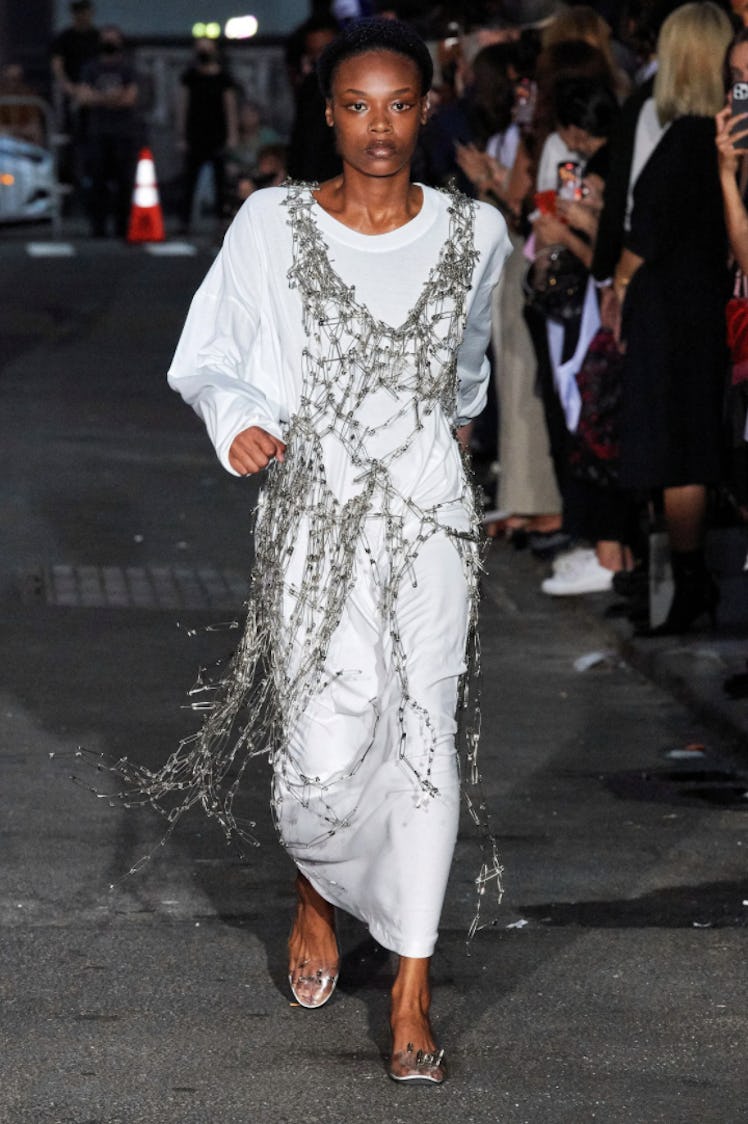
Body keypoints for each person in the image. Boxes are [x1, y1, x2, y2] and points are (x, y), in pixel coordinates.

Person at [133, 18, 510, 1085]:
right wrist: (240, 416)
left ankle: (410, 986)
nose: (378, 128)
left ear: (425, 110)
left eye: (399, 105)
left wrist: (443, 433)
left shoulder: (475, 233)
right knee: (320, 747)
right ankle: (317, 883)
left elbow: (469, 374)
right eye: (357, 106)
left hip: (430, 515)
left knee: (423, 731)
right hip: (312, 511)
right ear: (328, 111)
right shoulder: (271, 222)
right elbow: (207, 354)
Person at [612, 1, 733, 634]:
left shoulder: (688, 134)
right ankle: (688, 584)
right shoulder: (718, 133)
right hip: (701, 299)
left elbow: (646, 223)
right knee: (686, 445)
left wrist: (621, 284)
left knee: (676, 448)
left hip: (670, 306)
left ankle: (689, 585)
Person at [76, 25, 138, 239]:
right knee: (97, 182)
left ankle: (122, 226)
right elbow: (83, 97)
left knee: (124, 182)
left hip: (123, 134)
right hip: (98, 133)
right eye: (106, 39)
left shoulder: (127, 68)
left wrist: (100, 98)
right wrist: (113, 98)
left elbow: (130, 98)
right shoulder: (90, 68)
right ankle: (98, 227)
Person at [177, 37, 238, 233]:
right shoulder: (190, 77)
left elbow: (230, 107)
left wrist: (232, 134)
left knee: (221, 181)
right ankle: (184, 221)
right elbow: (182, 106)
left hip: (217, 135)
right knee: (189, 180)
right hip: (195, 134)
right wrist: (181, 135)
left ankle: (222, 221)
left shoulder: (223, 78)